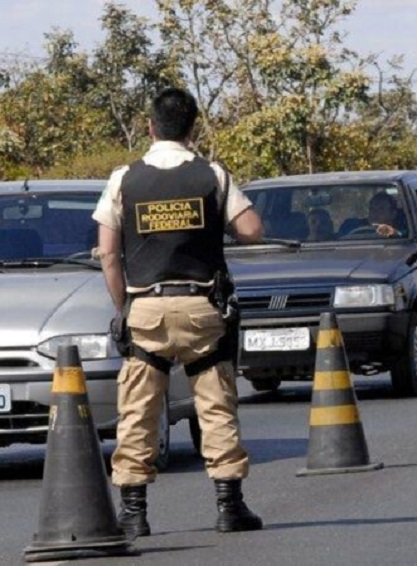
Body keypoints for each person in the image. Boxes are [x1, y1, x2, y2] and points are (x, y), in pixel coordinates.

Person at [92, 87, 265, 537]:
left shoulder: (123, 179)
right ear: (192, 129)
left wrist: (124, 308)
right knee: (216, 406)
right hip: (201, 306)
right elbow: (251, 231)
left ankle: (134, 513)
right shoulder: (212, 175)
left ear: (150, 127)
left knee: (138, 412)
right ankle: (230, 507)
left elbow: (109, 256)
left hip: (145, 308)